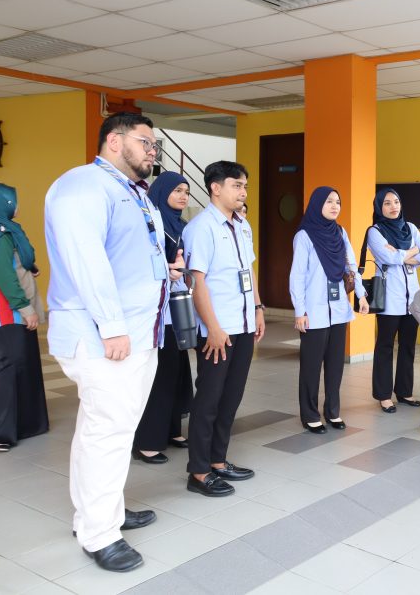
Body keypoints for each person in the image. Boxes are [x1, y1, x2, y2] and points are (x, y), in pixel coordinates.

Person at [45, 112, 183, 572]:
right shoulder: (82, 186)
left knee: (111, 430)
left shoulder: (133, 192)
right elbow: (87, 261)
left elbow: (134, 257)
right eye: (145, 142)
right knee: (106, 432)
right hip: (104, 336)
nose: (152, 151)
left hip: (139, 333)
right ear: (114, 141)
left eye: (154, 144)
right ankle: (99, 534)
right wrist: (112, 327)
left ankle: (104, 512)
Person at [182, 161, 264, 498]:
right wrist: (213, 328)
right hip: (218, 330)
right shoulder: (201, 228)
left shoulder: (242, 225)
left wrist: (258, 308)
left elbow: (249, 271)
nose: (243, 192)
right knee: (209, 400)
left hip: (243, 324)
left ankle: (217, 460)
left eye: (244, 186)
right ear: (215, 188)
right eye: (236, 185)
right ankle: (199, 471)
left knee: (231, 398)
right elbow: (196, 282)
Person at [290, 187, 368, 432]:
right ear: (317, 204)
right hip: (314, 311)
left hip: (338, 309)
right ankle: (310, 414)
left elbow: (351, 265)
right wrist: (299, 311)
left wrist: (362, 295)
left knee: (335, 365)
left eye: (338, 202)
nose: (335, 206)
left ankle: (333, 411)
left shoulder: (340, 232)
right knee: (311, 366)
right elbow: (297, 276)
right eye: (329, 201)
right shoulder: (304, 236)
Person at [132, 172, 194, 463]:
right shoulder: (149, 223)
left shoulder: (180, 225)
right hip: (156, 311)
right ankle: (147, 441)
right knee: (159, 376)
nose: (183, 196)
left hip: (177, 309)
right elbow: (139, 264)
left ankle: (171, 430)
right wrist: (168, 270)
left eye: (186, 191)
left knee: (177, 372)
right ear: (162, 191)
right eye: (177, 190)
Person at [0, 183, 48, 453]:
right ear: (1, 203)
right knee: (6, 367)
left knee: (15, 364)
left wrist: (28, 266)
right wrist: (25, 308)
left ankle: (23, 424)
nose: (17, 205)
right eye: (13, 200)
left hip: (6, 309)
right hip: (4, 310)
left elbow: (10, 263)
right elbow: (3, 274)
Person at [366, 188, 420, 413]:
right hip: (389, 299)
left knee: (408, 347)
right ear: (379, 207)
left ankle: (404, 392)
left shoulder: (410, 228)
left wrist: (402, 255)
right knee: (384, 347)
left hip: (412, 301)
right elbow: (388, 257)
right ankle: (383, 395)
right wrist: (411, 251)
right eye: (387, 203)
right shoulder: (375, 231)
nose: (393, 206)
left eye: (396, 202)